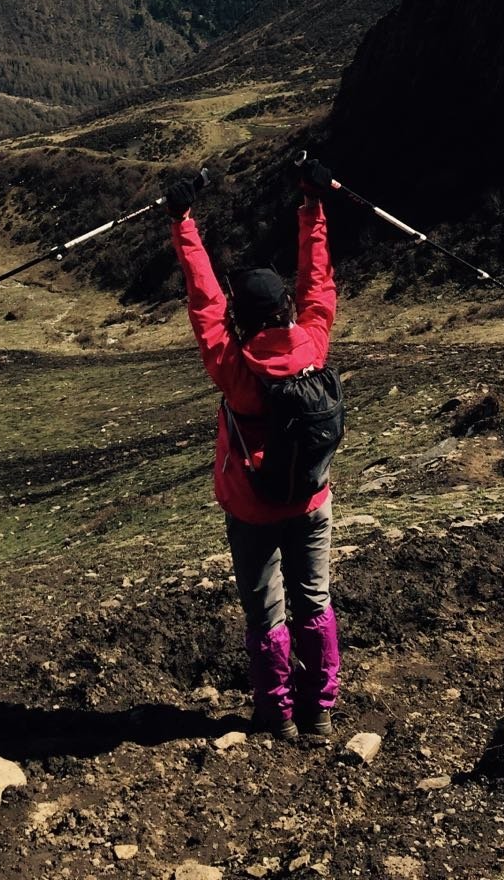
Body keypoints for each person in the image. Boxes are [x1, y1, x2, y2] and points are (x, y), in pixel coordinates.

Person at [167, 160, 341, 741]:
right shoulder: (314, 340)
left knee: (266, 615)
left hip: (252, 509)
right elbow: (319, 283)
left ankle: (277, 715)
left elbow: (204, 299)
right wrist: (313, 206)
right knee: (314, 602)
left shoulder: (236, 369)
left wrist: (182, 220)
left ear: (242, 320)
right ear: (287, 310)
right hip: (312, 498)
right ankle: (320, 710)